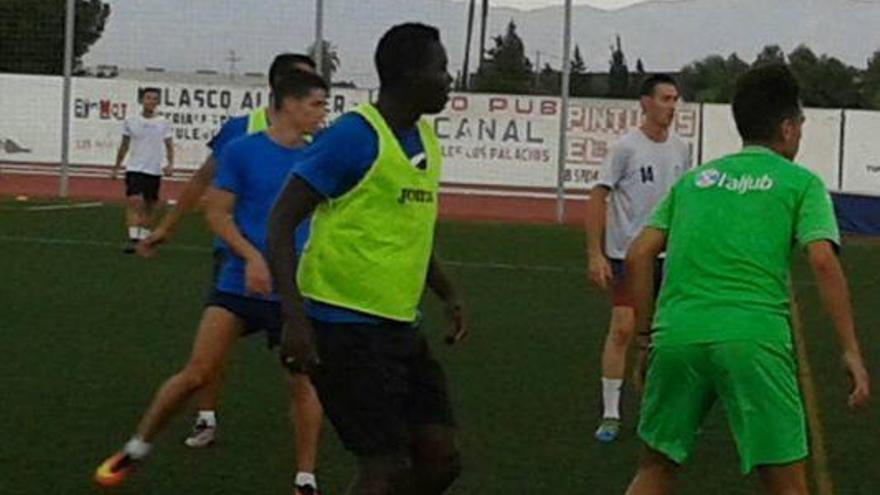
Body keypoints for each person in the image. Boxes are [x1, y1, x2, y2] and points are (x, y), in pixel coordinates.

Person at [622, 64, 870, 495]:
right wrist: (850, 350)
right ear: (789, 129)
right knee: (787, 483)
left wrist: (644, 338)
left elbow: (639, 254)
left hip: (678, 334)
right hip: (753, 338)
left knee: (656, 469)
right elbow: (823, 262)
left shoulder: (695, 180)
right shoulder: (802, 183)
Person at [95, 69, 329, 495]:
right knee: (197, 373)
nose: (323, 113)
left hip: (294, 291)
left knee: (302, 382)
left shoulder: (319, 157)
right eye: (317, 104)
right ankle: (136, 446)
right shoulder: (242, 150)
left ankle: (305, 478)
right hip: (240, 281)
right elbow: (217, 213)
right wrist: (253, 257)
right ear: (290, 103)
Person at [267, 23, 466, 495]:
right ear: (408, 74)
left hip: (399, 327)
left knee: (440, 459)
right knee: (385, 469)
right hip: (343, 329)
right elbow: (280, 221)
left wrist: (448, 292)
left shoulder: (426, 141)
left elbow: (410, 230)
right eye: (440, 69)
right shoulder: (355, 136)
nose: (448, 78)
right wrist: (294, 319)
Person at [139, 54, 320, 455]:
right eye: (303, 84)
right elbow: (204, 181)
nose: (315, 98)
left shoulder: (315, 144)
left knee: (299, 366)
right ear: (282, 91)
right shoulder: (241, 131)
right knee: (211, 354)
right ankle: (206, 416)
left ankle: (305, 470)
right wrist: (167, 228)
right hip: (235, 256)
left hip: (292, 268)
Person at [584, 74, 691, 442]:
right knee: (625, 328)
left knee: (665, 336)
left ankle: (657, 407)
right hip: (628, 258)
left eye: (675, 99)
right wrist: (595, 253)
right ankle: (611, 412)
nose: (671, 106)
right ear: (645, 103)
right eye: (665, 98)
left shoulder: (680, 148)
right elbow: (598, 196)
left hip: (668, 256)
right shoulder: (625, 148)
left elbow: (682, 202)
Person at [111, 87, 173, 253]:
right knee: (134, 200)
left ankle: (145, 236)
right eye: (148, 98)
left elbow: (169, 145)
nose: (151, 101)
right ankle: (133, 237)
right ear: (141, 100)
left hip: (153, 169)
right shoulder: (131, 121)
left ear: (158, 102)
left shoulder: (163, 122)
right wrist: (116, 167)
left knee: (150, 204)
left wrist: (170, 163)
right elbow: (124, 144)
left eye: (154, 98)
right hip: (135, 167)